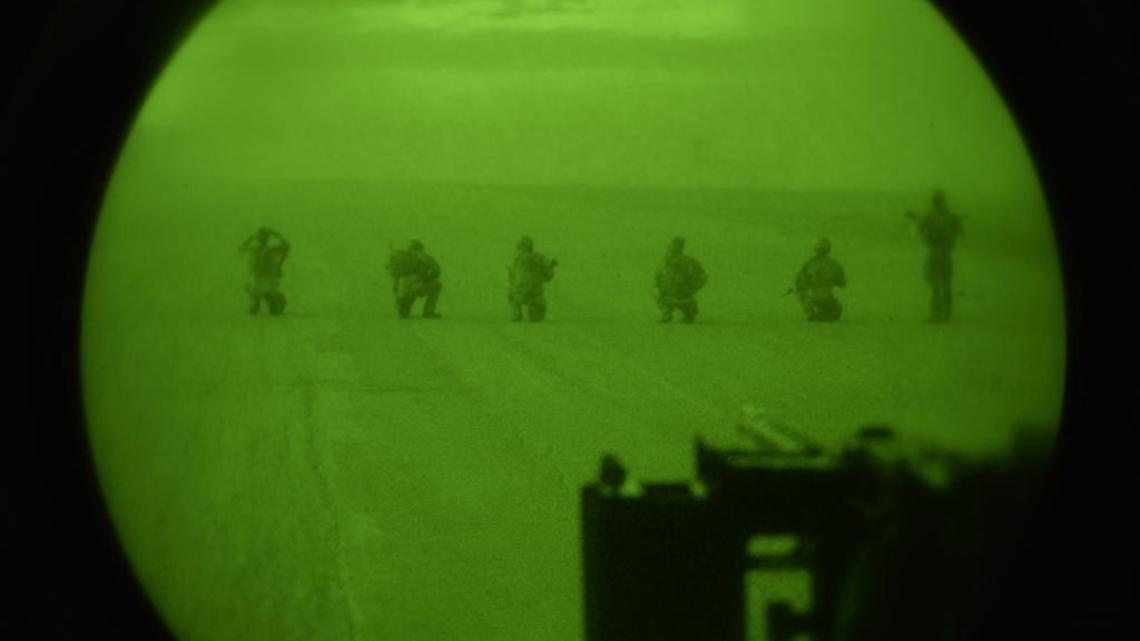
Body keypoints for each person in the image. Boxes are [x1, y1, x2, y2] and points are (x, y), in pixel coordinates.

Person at [915, 189, 962, 323]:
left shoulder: (929, 216)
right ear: (943, 201)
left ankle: (936, 314)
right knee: (946, 283)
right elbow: (958, 231)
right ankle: (947, 314)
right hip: (947, 253)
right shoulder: (951, 216)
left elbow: (919, 231)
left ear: (933, 202)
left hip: (934, 252)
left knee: (935, 283)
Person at [655, 236, 707, 323]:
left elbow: (703, 277)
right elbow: (657, 277)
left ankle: (672, 312)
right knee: (658, 293)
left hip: (681, 297)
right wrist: (693, 288)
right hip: (675, 296)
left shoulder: (688, 262)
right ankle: (668, 312)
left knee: (658, 293)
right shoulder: (667, 262)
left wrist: (692, 289)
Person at [239, 227, 290, 315]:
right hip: (266, 281)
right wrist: (276, 234)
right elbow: (286, 246)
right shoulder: (270, 250)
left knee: (257, 303)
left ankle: (260, 301)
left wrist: (250, 238)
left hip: (259, 280)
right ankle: (270, 301)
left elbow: (241, 248)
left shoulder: (254, 249)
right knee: (270, 306)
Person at [793, 237, 846, 321]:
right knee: (836, 310)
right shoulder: (834, 264)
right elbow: (842, 283)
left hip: (812, 298)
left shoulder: (810, 263)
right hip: (828, 298)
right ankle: (826, 312)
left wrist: (809, 284)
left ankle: (810, 312)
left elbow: (799, 281)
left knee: (800, 293)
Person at [387, 239, 442, 319]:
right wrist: (427, 277)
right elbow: (436, 270)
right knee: (436, 285)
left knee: (409, 293)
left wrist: (396, 287)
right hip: (417, 286)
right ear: (420, 248)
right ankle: (428, 311)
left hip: (402, 288)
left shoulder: (402, 257)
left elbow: (394, 274)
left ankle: (403, 309)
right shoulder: (424, 256)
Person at [508, 236, 557, 322]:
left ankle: (517, 311)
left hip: (519, 292)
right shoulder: (540, 257)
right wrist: (551, 267)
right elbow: (549, 276)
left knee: (511, 292)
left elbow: (511, 277)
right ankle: (533, 312)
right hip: (536, 293)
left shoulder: (517, 259)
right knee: (536, 318)